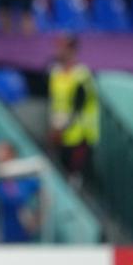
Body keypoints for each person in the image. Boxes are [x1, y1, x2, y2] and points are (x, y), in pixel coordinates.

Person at [48, 34, 99, 184]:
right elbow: (55, 102)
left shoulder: (82, 75)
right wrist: (54, 127)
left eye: (63, 47)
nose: (58, 51)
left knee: (76, 177)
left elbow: (79, 105)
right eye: (58, 47)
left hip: (80, 134)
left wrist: (62, 127)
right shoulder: (55, 73)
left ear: (72, 50)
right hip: (61, 134)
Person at [0, 141, 42, 243]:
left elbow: (45, 198)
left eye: (2, 156)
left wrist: (37, 220)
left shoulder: (25, 180)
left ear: (12, 156)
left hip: (22, 235)